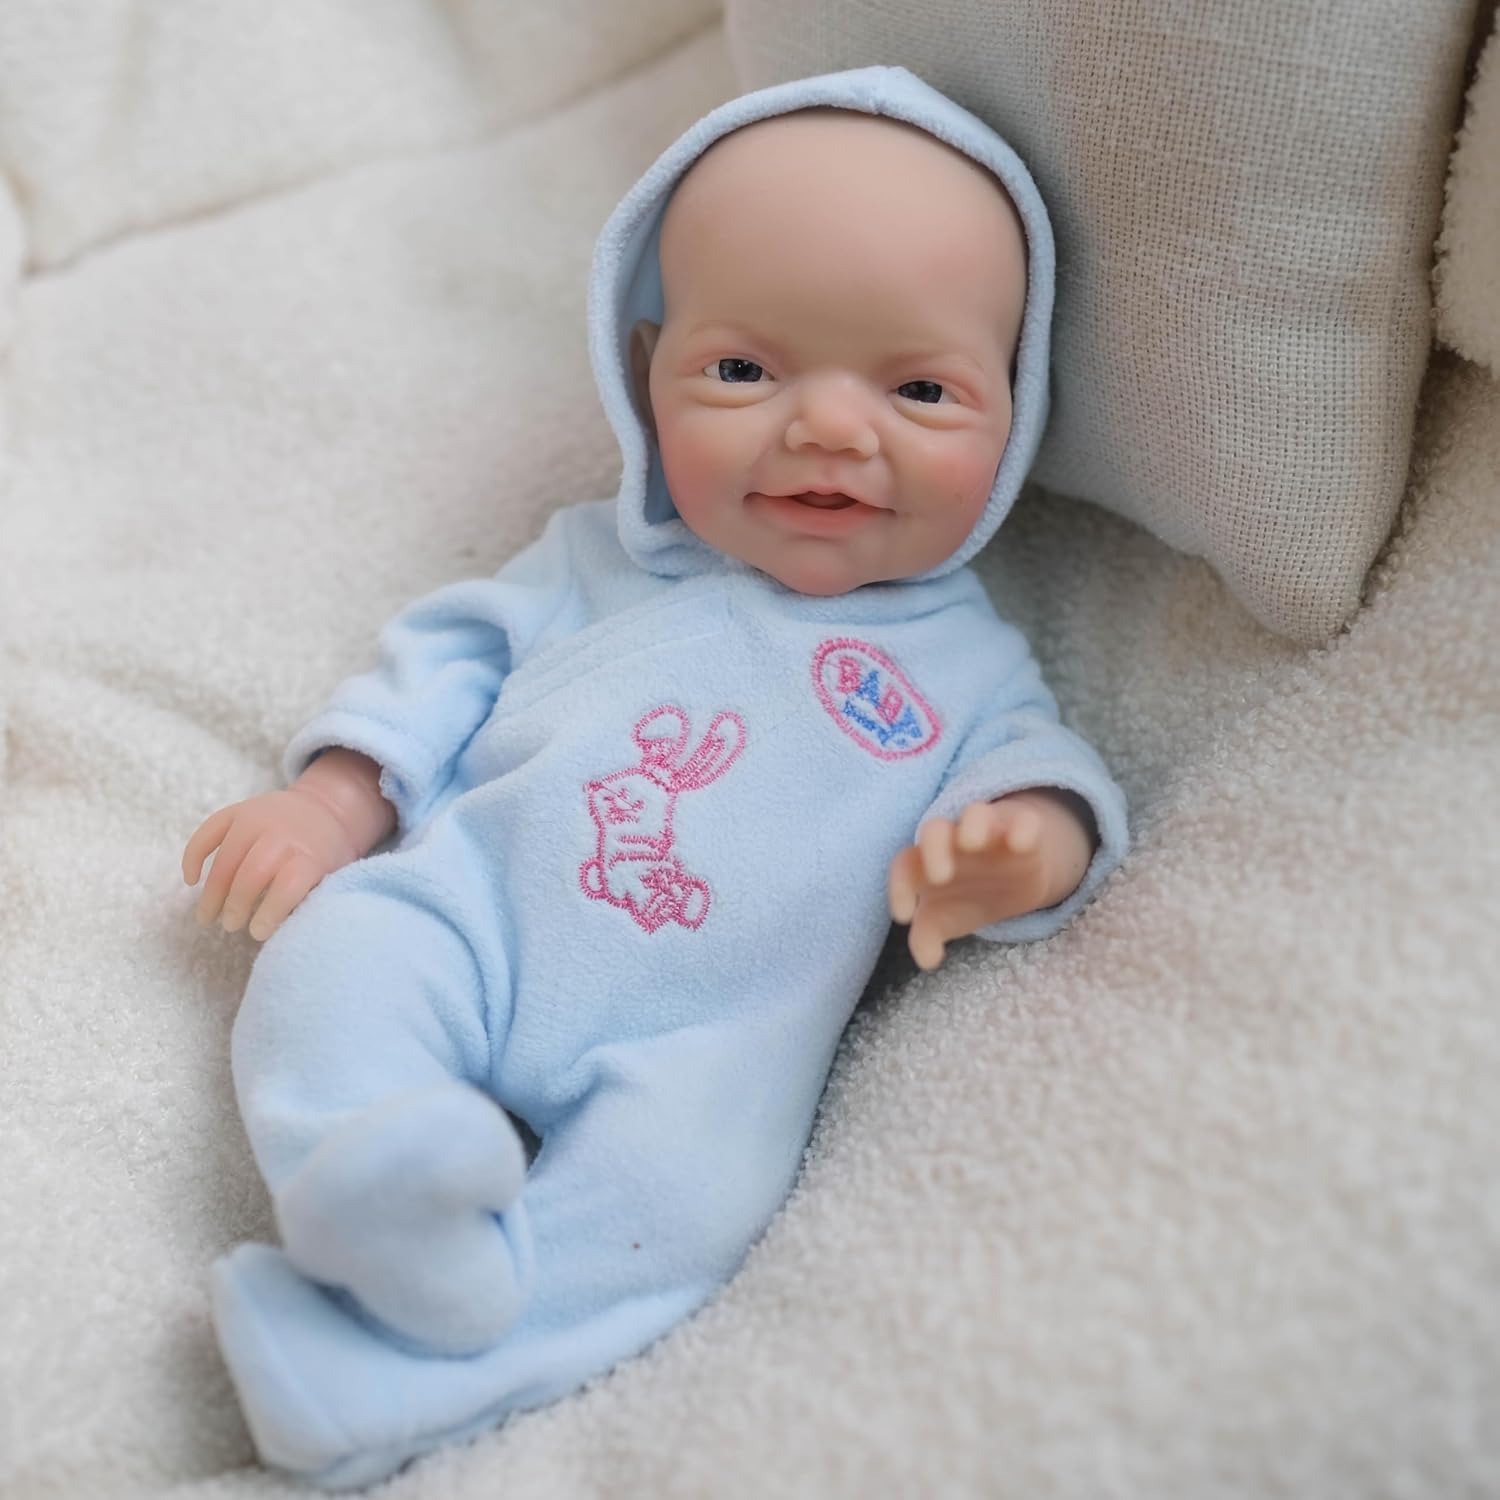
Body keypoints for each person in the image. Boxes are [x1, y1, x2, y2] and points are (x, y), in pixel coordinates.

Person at [183, 66, 1128, 1489]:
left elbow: (1040, 775)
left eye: (921, 389)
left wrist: (1024, 846)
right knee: (332, 963)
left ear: (1017, 413)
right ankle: (379, 1176)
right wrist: (330, 800)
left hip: (709, 1040)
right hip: (471, 913)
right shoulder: (590, 562)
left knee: (686, 1202)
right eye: (745, 372)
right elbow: (445, 659)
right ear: (644, 373)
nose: (829, 429)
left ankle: (380, 1361)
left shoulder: (964, 664)